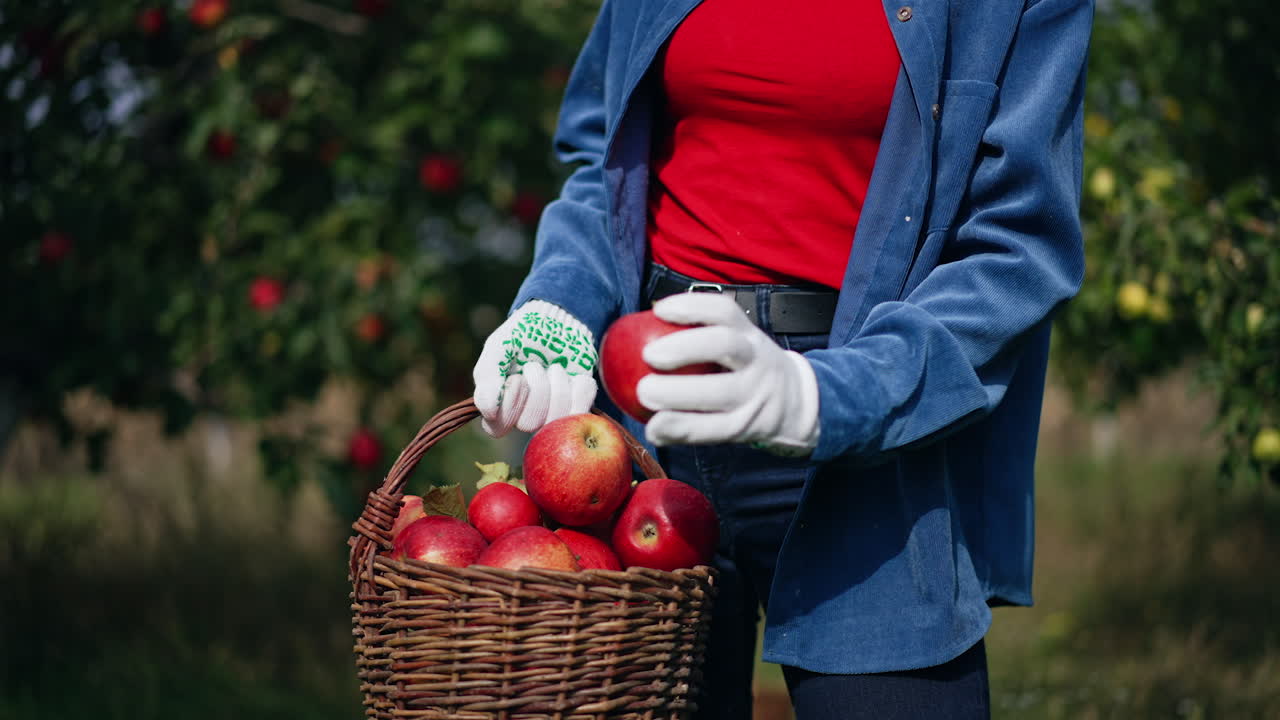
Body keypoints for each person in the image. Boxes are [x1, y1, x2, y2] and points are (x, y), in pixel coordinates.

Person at [470, 1, 1095, 718]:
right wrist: (561, 299)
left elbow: (1018, 246)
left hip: (870, 437)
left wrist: (823, 397)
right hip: (645, 430)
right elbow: (602, 157)